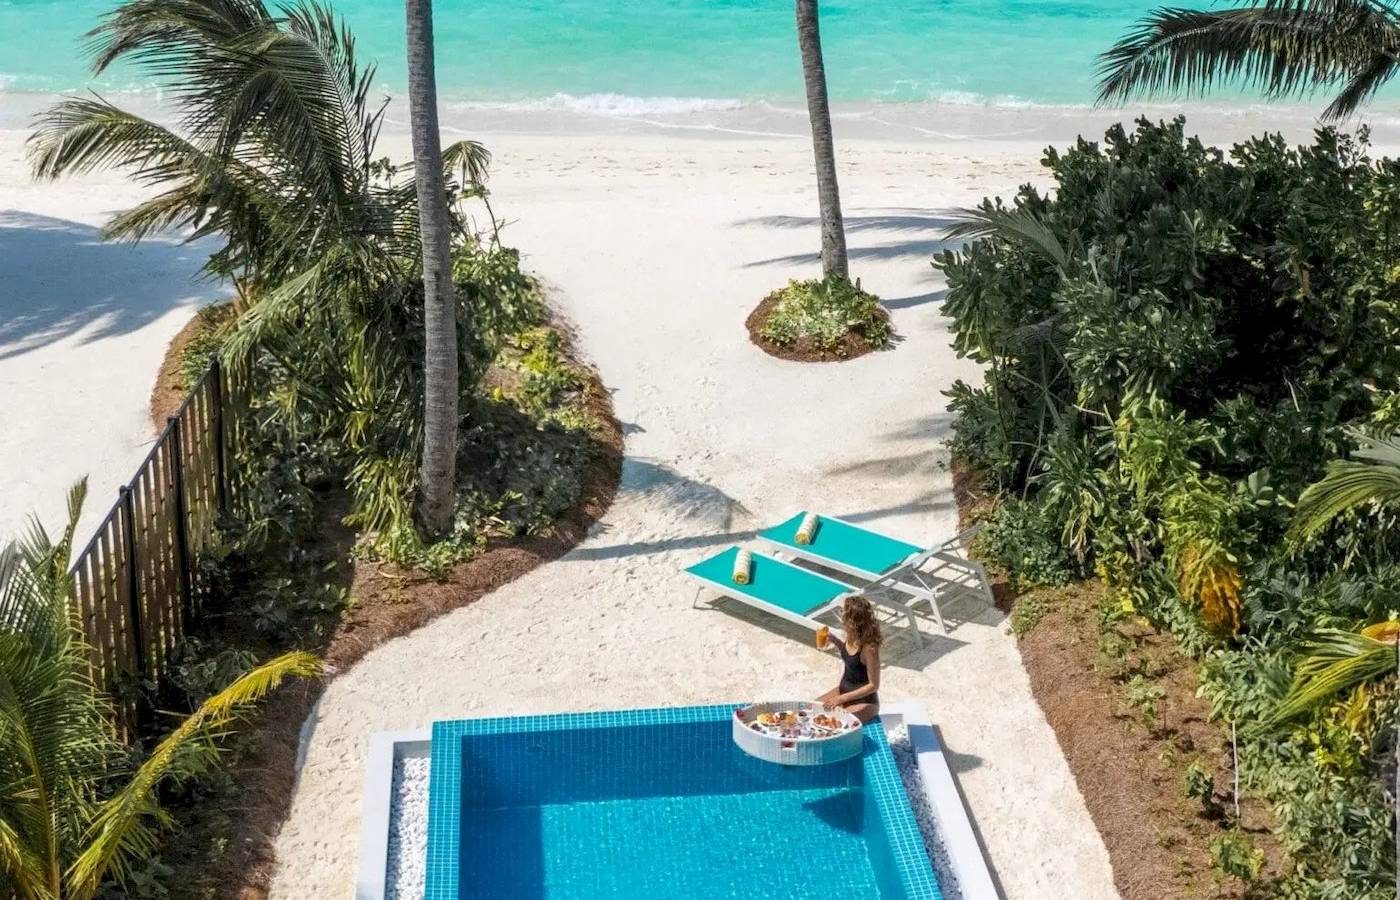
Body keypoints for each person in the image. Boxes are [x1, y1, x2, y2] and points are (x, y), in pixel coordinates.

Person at [816, 596, 882, 723]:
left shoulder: (869, 648)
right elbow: (852, 661)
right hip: (843, 691)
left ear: (852, 620)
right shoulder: (852, 636)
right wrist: (837, 642)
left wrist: (841, 699)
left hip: (865, 701)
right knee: (811, 709)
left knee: (835, 723)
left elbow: (874, 685)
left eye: (843, 612)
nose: (840, 616)